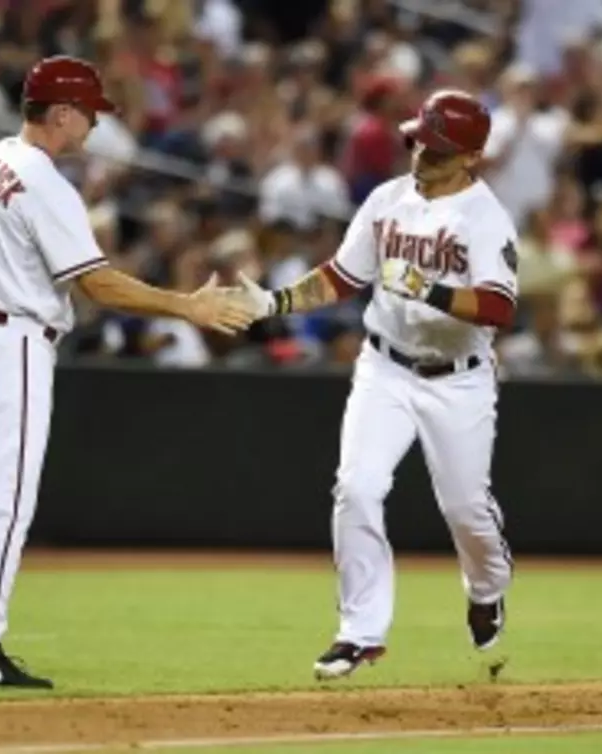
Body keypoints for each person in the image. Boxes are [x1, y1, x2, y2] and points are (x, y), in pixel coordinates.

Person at [0, 55, 254, 690]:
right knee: (5, 506)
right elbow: (97, 283)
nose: (93, 124)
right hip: (14, 341)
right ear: (60, 112)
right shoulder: (43, 180)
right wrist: (186, 305)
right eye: (89, 113)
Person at [236, 90, 517, 680]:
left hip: (458, 379)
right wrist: (276, 301)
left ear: (469, 157)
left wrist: (430, 288)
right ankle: (359, 632)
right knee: (357, 487)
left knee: (465, 508)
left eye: (437, 147)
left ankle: (487, 587)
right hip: (384, 366)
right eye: (418, 139)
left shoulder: (485, 216)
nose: (420, 152)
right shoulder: (387, 199)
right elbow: (342, 276)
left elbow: (498, 307)